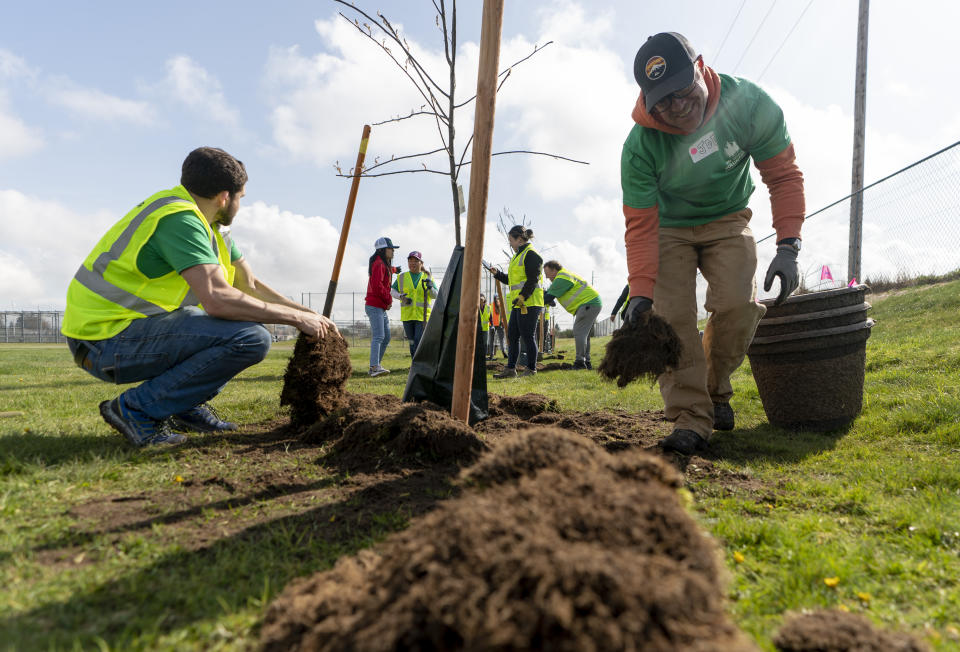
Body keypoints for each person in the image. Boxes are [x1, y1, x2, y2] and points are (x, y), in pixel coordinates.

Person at [61, 147, 339, 447]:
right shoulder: (179, 220)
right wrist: (295, 319)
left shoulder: (212, 229)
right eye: (241, 197)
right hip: (102, 341)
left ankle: (181, 406)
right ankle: (135, 408)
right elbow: (218, 300)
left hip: (126, 331)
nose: (240, 204)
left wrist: (309, 315)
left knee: (239, 331)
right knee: (250, 338)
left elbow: (250, 285)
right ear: (224, 197)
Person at [621, 32, 804, 454]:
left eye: (683, 92)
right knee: (671, 322)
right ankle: (690, 418)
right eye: (663, 101)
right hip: (668, 229)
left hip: (728, 218)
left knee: (738, 305)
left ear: (701, 67)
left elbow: (783, 175)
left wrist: (788, 246)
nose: (677, 107)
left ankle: (716, 392)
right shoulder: (640, 147)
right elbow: (641, 226)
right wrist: (641, 293)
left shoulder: (749, 105)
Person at [486, 225, 544, 378]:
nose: (510, 244)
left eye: (511, 240)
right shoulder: (518, 256)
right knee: (512, 335)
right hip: (519, 303)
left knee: (527, 336)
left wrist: (523, 296)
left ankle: (531, 369)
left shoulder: (532, 255)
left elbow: (533, 280)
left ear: (519, 239)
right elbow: (512, 281)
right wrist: (498, 274)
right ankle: (511, 369)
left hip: (530, 303)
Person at [543, 261, 602, 369]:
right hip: (592, 303)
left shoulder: (561, 278)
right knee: (584, 334)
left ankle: (580, 362)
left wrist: (534, 300)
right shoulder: (563, 277)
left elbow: (547, 298)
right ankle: (586, 362)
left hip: (588, 303)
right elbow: (549, 296)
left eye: (547, 273)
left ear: (554, 270)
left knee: (579, 332)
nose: (547, 277)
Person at [391, 250, 437, 357]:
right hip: (407, 316)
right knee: (411, 341)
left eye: (416, 261)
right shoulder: (402, 277)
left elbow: (435, 295)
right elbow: (392, 291)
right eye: (410, 261)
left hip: (422, 317)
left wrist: (430, 287)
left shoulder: (428, 277)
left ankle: (418, 363)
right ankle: (414, 362)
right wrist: (401, 297)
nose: (412, 263)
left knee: (418, 340)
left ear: (421, 263)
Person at [365, 237, 400, 376]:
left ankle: (375, 366)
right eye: (390, 248)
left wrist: (395, 269)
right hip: (375, 306)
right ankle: (374, 367)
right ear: (382, 250)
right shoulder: (379, 263)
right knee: (379, 336)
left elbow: (386, 271)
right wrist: (389, 299)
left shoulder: (382, 263)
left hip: (379, 306)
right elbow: (377, 285)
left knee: (386, 337)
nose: (393, 251)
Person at [488, 294, 507, 360]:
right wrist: (491, 325)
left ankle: (504, 352)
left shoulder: (501, 305)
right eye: (496, 298)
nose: (497, 299)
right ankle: (491, 355)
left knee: (502, 339)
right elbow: (489, 316)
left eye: (498, 298)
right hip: (492, 325)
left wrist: (502, 322)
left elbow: (502, 315)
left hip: (499, 325)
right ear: (494, 298)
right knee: (491, 340)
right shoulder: (490, 306)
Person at [478, 293, 491, 357]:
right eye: (480, 298)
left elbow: (490, 317)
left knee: (485, 343)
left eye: (482, 298)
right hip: (478, 328)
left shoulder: (488, 307)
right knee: (479, 343)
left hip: (486, 328)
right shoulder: (476, 308)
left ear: (484, 299)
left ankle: (484, 356)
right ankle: (479, 356)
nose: (481, 299)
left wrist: (493, 325)